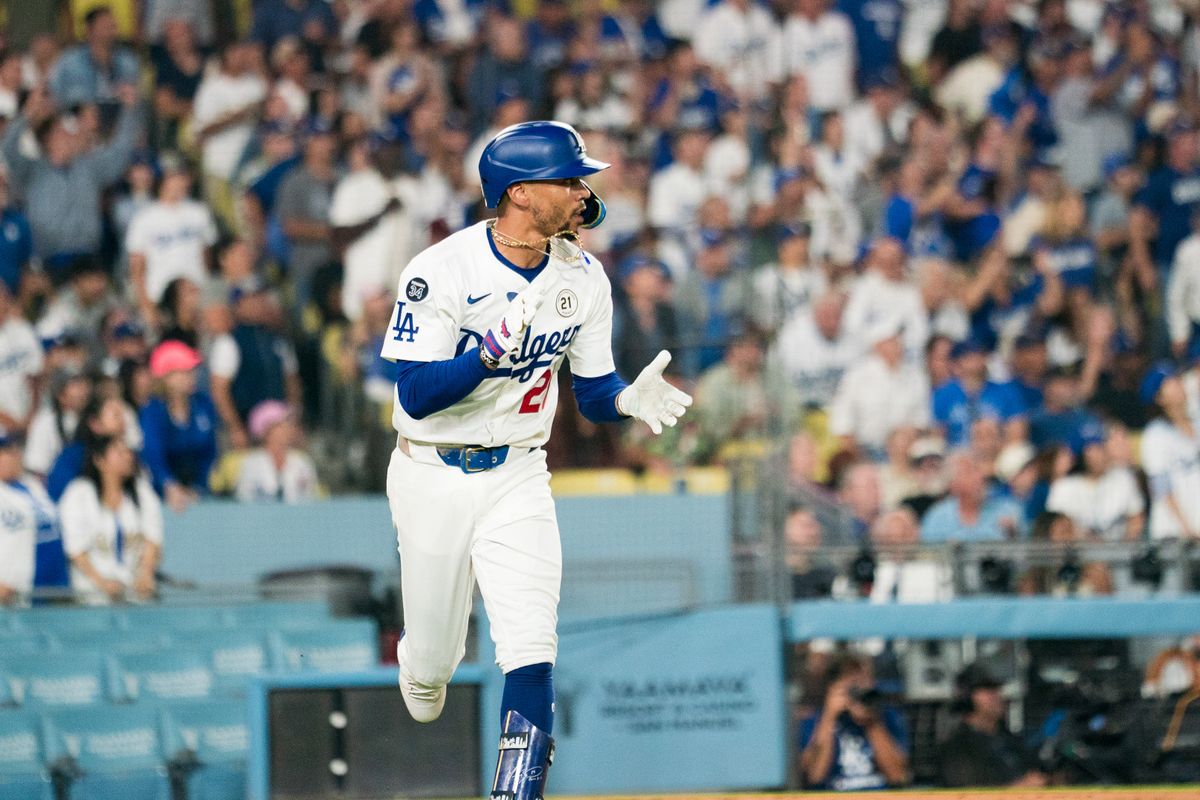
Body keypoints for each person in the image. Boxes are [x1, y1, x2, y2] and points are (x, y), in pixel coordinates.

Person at [380, 121, 692, 798]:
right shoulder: (441, 270)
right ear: (520, 193)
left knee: (530, 644)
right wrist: (484, 356)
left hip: (519, 470)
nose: (583, 192)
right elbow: (414, 393)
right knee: (432, 675)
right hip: (432, 469)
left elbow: (595, 393)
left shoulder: (583, 276)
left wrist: (628, 401)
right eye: (569, 179)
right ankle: (420, 658)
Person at [59, 435, 163, 604]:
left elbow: (153, 539)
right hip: (90, 596)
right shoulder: (79, 493)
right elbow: (75, 550)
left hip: (134, 594)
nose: (128, 457)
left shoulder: (142, 491)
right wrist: (102, 583)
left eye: (128, 452)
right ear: (99, 460)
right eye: (119, 452)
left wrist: (146, 575)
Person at [126, 156, 218, 327]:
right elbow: (137, 270)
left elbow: (207, 259)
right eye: (175, 177)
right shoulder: (144, 219)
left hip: (197, 295)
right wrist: (146, 307)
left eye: (183, 177)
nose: (181, 182)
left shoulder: (199, 212)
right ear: (162, 180)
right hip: (160, 297)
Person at [798, 653, 909, 790]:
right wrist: (829, 717)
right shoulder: (814, 722)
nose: (859, 690)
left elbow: (897, 776)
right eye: (853, 685)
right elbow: (815, 776)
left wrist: (872, 723)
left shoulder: (887, 717)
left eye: (864, 682)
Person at [828, 317, 930, 458]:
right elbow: (842, 424)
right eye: (892, 340)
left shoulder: (915, 376)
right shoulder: (857, 376)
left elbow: (921, 421)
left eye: (899, 339)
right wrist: (859, 458)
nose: (898, 344)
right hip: (865, 450)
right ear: (878, 345)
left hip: (905, 453)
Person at [937, 663, 1048, 787]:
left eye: (997, 690)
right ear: (967, 697)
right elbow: (966, 793)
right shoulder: (957, 747)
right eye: (988, 691)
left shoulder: (1010, 739)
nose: (997, 696)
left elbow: (1038, 772)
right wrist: (1020, 788)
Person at [139, 341, 219, 512]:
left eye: (191, 371)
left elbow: (209, 452)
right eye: (183, 372)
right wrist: (169, 485)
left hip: (199, 492)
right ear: (166, 377)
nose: (191, 376)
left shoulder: (204, 404)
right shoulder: (153, 411)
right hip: (160, 494)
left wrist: (199, 487)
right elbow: (153, 454)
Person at [1046, 425, 1145, 541]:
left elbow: (1136, 518)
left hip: (1119, 552)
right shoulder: (1063, 486)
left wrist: (1124, 550)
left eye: (1102, 447)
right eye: (1093, 449)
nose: (1100, 454)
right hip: (1077, 553)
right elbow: (1056, 528)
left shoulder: (1123, 478)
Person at [0, 430, 65, 604]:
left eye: (15, 448)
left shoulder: (34, 486)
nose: (14, 455)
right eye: (6, 450)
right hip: (10, 597)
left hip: (52, 589)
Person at [1140, 365, 1200, 540]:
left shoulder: (1196, 424)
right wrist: (1186, 528)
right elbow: (1161, 487)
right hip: (1174, 535)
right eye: (1170, 382)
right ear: (1159, 397)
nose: (1178, 384)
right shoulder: (1155, 435)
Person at [921, 450, 1025, 542]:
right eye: (969, 471)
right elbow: (930, 558)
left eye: (978, 470)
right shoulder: (937, 518)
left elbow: (1027, 554)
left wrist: (1013, 535)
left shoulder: (1009, 511)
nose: (979, 477)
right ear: (953, 485)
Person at [235, 400, 318, 503]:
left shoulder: (302, 461)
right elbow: (244, 499)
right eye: (281, 425)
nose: (287, 429)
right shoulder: (251, 463)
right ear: (266, 430)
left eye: (288, 425)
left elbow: (310, 498)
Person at [24, 367, 91, 479]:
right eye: (77, 385)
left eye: (84, 383)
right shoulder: (45, 422)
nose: (84, 390)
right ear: (61, 395)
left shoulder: (95, 417)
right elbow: (37, 470)